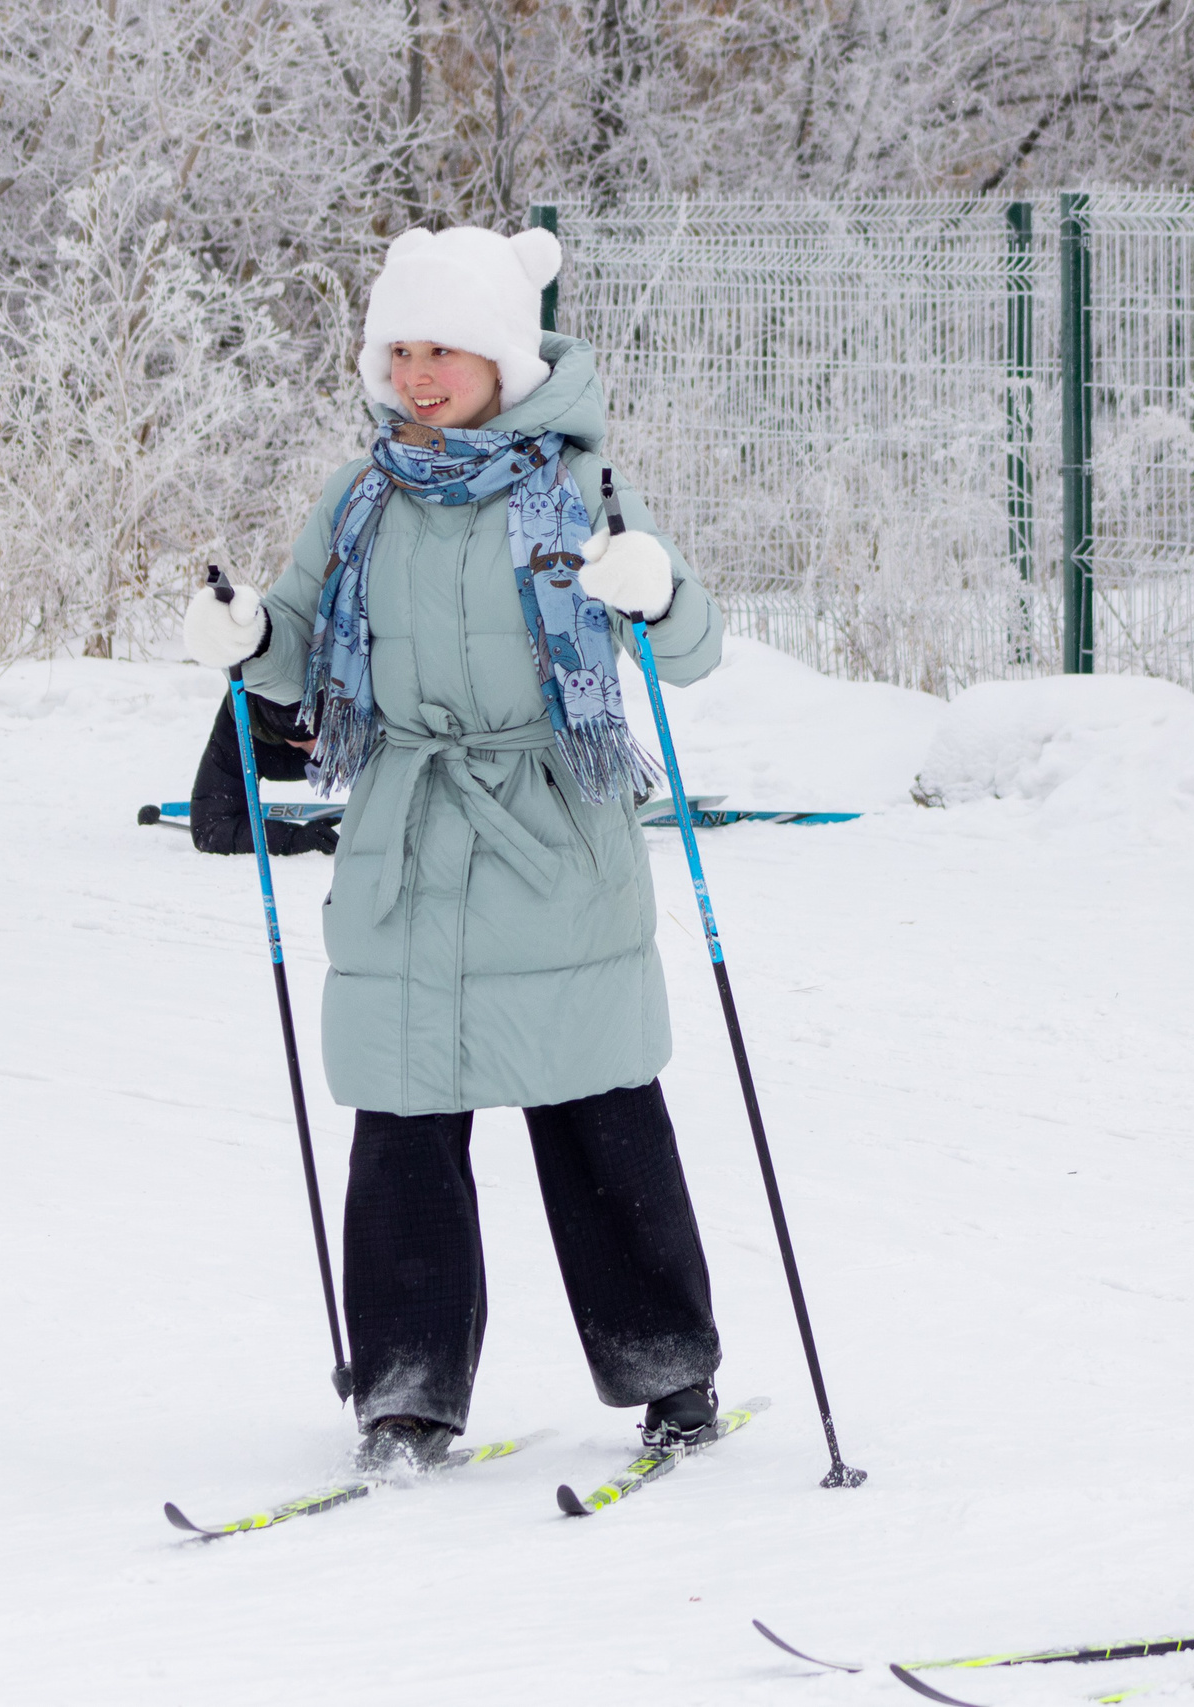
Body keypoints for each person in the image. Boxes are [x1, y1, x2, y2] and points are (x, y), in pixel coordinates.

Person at [183, 224, 728, 1472]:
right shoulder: (360, 496)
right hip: (406, 842)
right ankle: (405, 1395)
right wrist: (240, 631)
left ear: (503, 361)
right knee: (404, 1124)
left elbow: (685, 651)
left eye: (448, 349)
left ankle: (671, 1376)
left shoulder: (578, 493)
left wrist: (655, 591)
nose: (421, 373)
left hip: (552, 832)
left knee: (598, 1112)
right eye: (403, 349)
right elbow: (295, 647)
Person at [187, 689, 338, 857]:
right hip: (260, 730)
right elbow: (210, 828)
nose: (324, 741)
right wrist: (293, 839)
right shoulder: (239, 725)